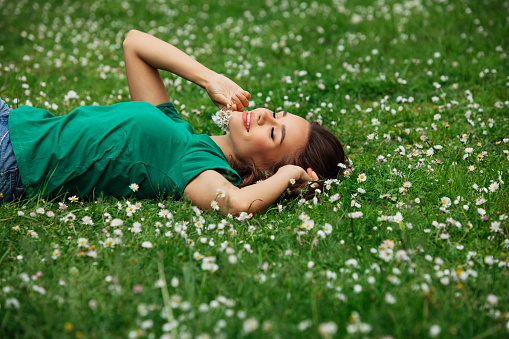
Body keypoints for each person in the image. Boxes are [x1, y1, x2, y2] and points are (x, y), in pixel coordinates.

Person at [0, 30, 346, 214]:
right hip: (15, 121)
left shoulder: (196, 167)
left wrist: (290, 176)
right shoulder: (179, 133)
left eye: (273, 132)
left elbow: (236, 203)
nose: (265, 114)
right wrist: (209, 78)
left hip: (13, 162)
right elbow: (135, 43)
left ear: (263, 173)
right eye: (277, 113)